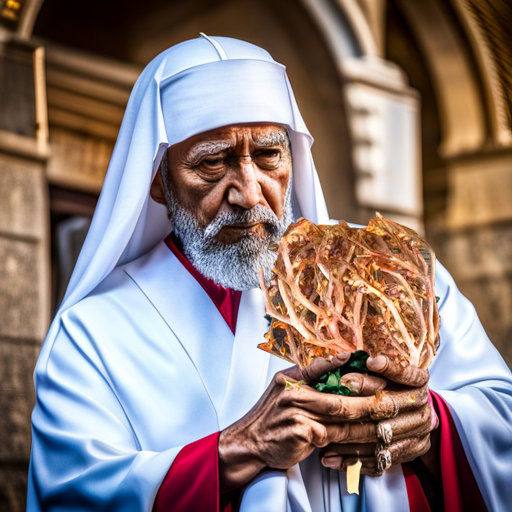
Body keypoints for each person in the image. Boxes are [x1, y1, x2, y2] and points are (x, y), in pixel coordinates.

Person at [27, 35, 512, 512]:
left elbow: (500, 420)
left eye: (267, 156)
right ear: (158, 181)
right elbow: (75, 493)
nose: (250, 194)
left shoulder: (388, 277)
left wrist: (431, 424)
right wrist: (242, 447)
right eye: (212, 163)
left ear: (292, 159)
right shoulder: (92, 332)